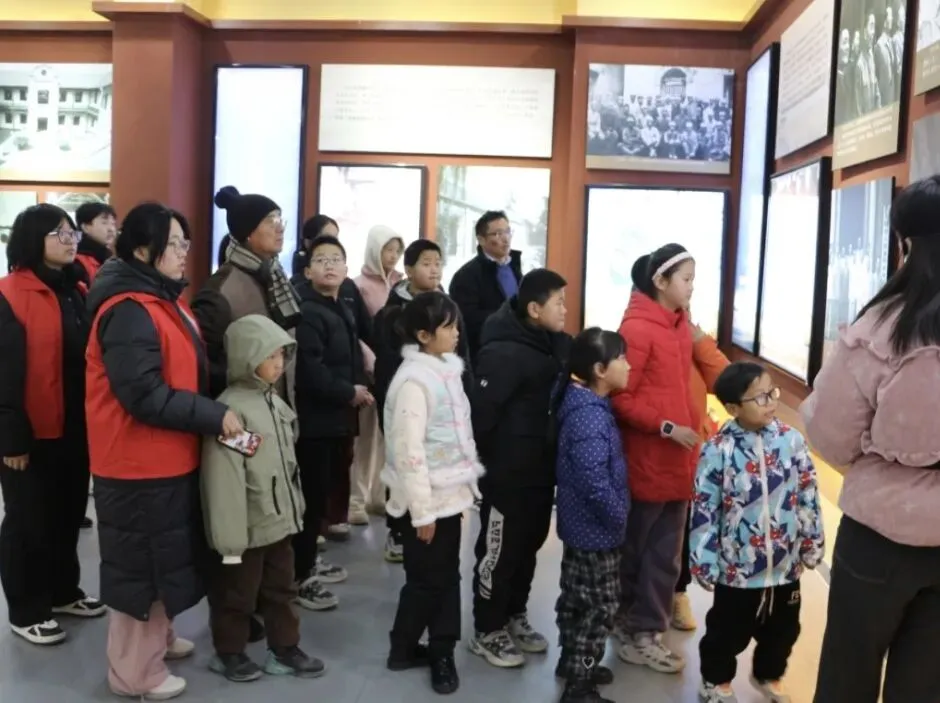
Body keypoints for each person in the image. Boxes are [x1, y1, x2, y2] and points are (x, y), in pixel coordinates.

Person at [84, 202, 243, 700]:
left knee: (165, 559)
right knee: (143, 569)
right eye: (173, 244)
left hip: (167, 455)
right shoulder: (128, 309)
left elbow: (185, 371)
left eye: (184, 243)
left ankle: (160, 639)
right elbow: (143, 394)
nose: (182, 253)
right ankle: (134, 673)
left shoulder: (162, 299)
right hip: (136, 462)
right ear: (141, 250)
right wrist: (212, 415)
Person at [803, 176, 940, 703]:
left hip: (879, 535)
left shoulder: (880, 328)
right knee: (925, 685)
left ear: (905, 242)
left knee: (848, 674)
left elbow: (830, 435)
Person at [0, 204, 105, 646]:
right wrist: (11, 437)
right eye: (59, 234)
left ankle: (63, 592)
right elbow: (4, 372)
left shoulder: (75, 288)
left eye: (72, 233)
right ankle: (26, 609)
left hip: (74, 426)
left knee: (66, 515)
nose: (70, 241)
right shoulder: (9, 293)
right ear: (33, 239)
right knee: (28, 522)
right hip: (29, 432)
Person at [201, 314, 324, 682]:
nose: (278, 363)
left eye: (282, 355)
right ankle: (229, 652)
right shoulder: (230, 411)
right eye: (269, 356)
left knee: (281, 589)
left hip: (278, 522)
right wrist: (229, 539)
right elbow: (223, 481)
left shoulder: (273, 401)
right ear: (246, 356)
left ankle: (284, 648)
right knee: (236, 594)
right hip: (245, 529)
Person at [691, 362, 824, 703]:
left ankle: (768, 673)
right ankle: (715, 680)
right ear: (733, 408)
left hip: (785, 563)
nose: (771, 402)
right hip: (738, 568)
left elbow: (807, 493)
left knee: (784, 629)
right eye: (759, 397)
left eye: (771, 393)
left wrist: (812, 540)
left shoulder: (791, 441)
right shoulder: (718, 449)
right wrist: (703, 559)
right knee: (727, 630)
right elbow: (705, 508)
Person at [382, 292, 484, 696]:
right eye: (448, 327)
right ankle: (434, 651)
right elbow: (409, 452)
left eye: (456, 325)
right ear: (423, 335)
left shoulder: (445, 371)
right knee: (431, 581)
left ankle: (408, 646)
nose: (457, 333)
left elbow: (456, 434)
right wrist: (422, 512)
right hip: (426, 501)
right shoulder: (414, 382)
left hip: (448, 496)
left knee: (437, 578)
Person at [470, 268, 571, 669]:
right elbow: (482, 417)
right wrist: (489, 468)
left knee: (529, 544)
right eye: (558, 303)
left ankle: (515, 613)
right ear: (534, 309)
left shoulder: (554, 344)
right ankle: (487, 628)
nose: (565, 310)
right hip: (506, 474)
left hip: (541, 470)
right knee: (499, 550)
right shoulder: (502, 352)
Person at [611, 244, 699, 674]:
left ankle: (647, 631)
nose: (692, 287)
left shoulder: (681, 326)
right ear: (660, 282)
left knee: (667, 555)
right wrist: (666, 427)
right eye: (686, 279)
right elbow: (620, 397)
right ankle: (629, 627)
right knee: (636, 551)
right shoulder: (637, 329)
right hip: (647, 459)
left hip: (680, 460)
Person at [373, 239, 473, 563]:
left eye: (438, 263)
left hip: (444, 405)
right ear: (409, 269)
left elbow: (463, 356)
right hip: (410, 403)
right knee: (407, 457)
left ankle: (441, 510)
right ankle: (400, 526)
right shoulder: (393, 311)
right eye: (426, 263)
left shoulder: (448, 309)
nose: (434, 269)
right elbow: (386, 364)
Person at [293, 234, 369, 611]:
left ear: (346, 269)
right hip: (315, 423)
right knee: (310, 501)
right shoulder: (308, 310)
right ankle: (301, 577)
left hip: (335, 419)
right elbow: (310, 371)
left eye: (336, 259)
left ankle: (307, 562)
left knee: (321, 498)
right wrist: (348, 392)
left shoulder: (340, 306)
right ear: (307, 271)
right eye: (321, 259)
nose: (329, 265)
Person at [554, 328, 630, 703]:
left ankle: (573, 663)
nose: (628, 366)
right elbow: (594, 482)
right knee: (599, 608)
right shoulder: (589, 417)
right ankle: (580, 683)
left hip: (581, 527)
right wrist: (618, 517)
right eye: (622, 359)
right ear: (600, 369)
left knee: (576, 599)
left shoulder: (587, 405)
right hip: (596, 530)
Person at [192, 186, 301, 399]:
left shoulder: (277, 277)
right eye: (271, 221)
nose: (280, 228)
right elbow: (206, 363)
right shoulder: (220, 290)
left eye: (280, 220)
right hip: (241, 408)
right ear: (248, 233)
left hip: (279, 404)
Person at [350, 225, 404, 525]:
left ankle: (379, 495)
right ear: (374, 250)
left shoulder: (401, 286)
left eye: (397, 250)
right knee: (364, 439)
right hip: (369, 372)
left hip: (393, 372)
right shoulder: (358, 286)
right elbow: (357, 333)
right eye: (387, 250)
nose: (393, 256)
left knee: (387, 438)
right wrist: (371, 362)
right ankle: (356, 500)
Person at [449, 210, 523, 363]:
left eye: (507, 232)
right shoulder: (466, 276)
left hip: (519, 350)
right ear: (481, 240)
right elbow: (467, 319)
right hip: (487, 356)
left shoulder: (514, 267)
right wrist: (508, 317)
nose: (505, 238)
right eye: (497, 234)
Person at [74, 201, 116, 283]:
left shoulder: (109, 257)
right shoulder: (77, 261)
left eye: (113, 224)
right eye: (104, 223)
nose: (111, 229)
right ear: (85, 227)